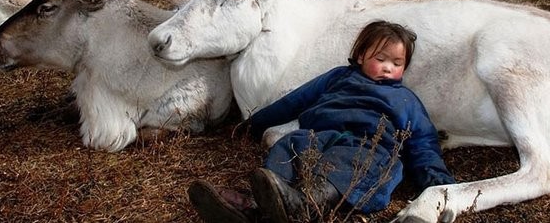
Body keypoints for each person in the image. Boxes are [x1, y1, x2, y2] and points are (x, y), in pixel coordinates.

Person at [188, 20, 455, 223]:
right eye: (380, 59)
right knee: (289, 145)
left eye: (397, 63)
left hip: (367, 147)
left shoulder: (406, 99)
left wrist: (438, 183)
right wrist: (254, 124)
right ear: (361, 56)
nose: (388, 67)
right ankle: (262, 205)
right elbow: (295, 101)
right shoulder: (338, 77)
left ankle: (304, 204)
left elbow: (423, 143)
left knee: (353, 162)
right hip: (318, 136)